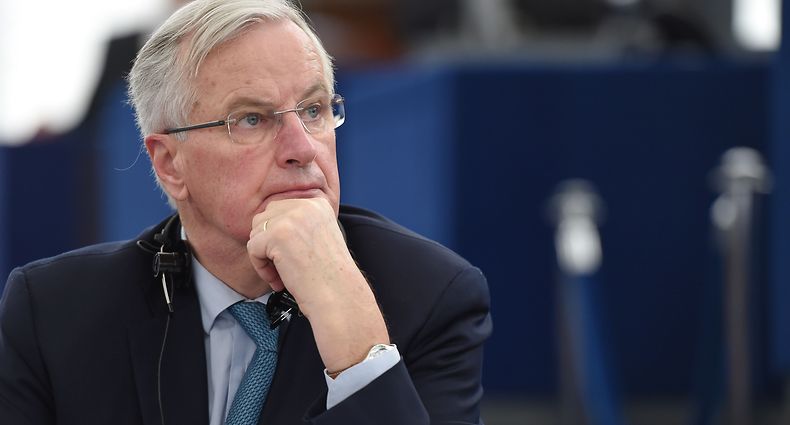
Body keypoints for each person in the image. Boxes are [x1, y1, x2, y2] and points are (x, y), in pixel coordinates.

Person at [0, 0, 492, 424]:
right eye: (252, 119)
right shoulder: (54, 313)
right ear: (170, 163)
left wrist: (355, 342)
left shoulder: (430, 296)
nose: (302, 148)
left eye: (314, 110)